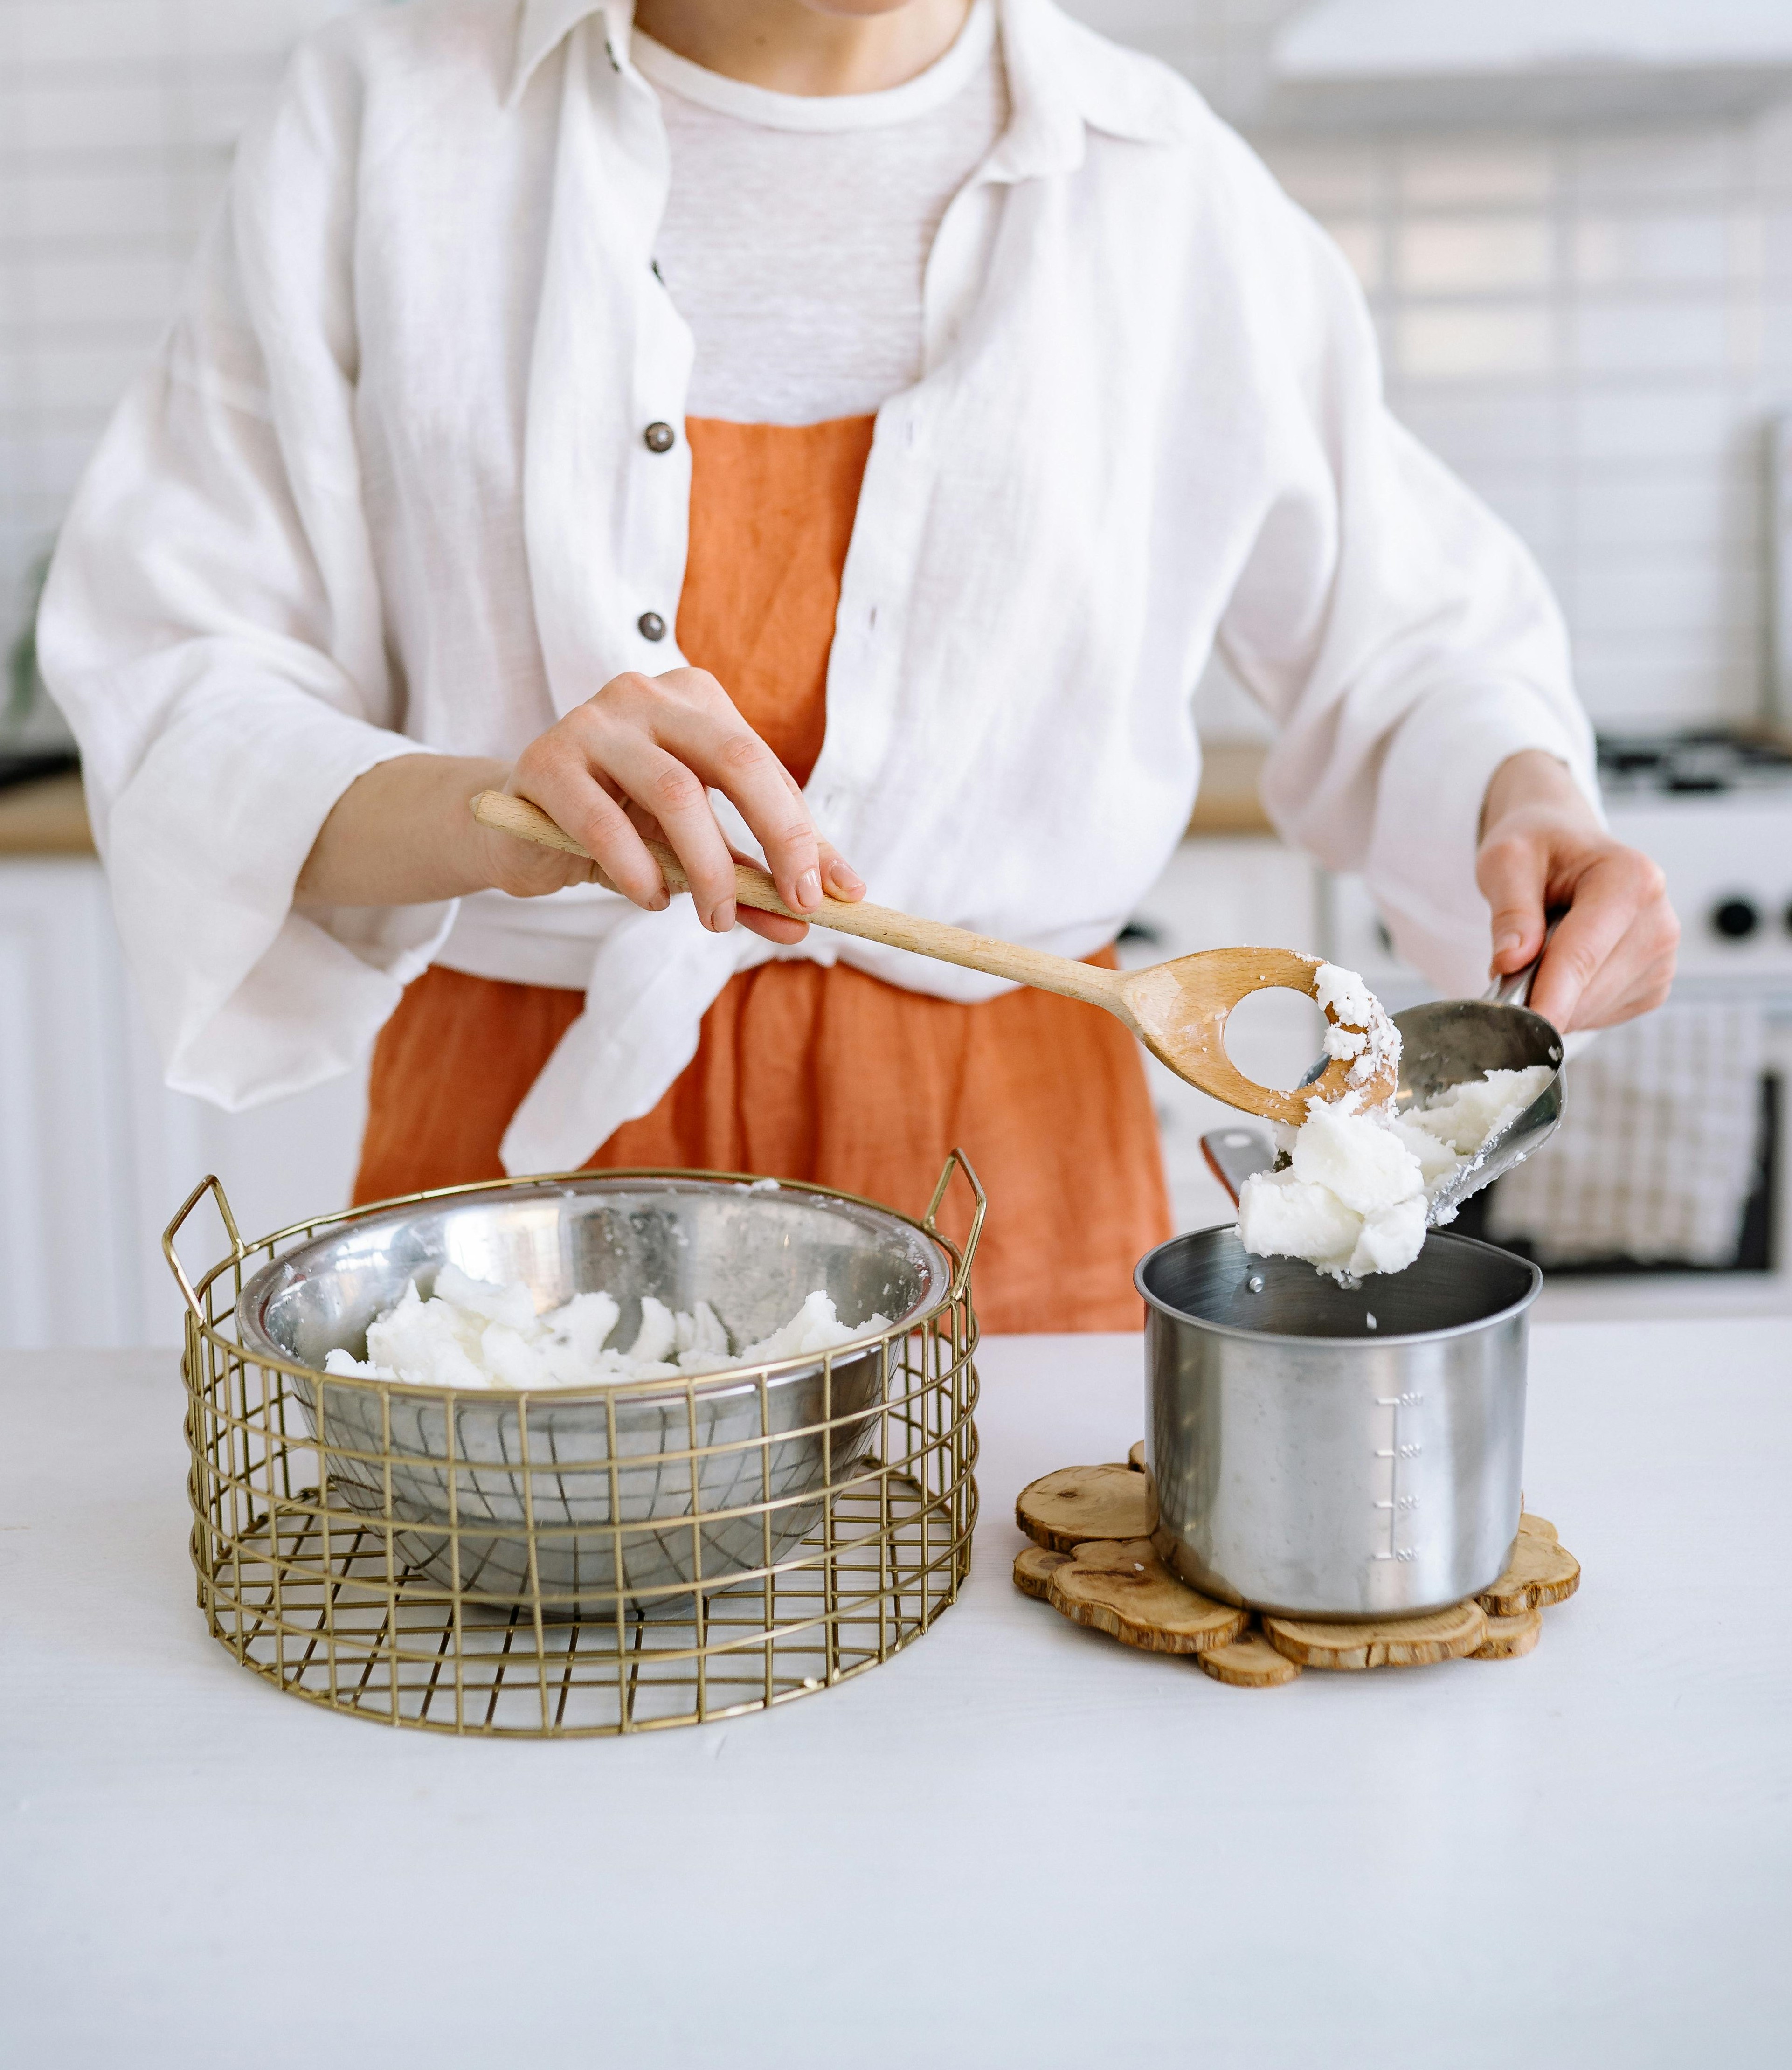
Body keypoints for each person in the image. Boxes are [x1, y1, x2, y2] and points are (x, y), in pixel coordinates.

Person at [40, 0, 1677, 1332]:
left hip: (1012, 1178)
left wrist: (1526, 798)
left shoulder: (1169, 189)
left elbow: (1411, 642)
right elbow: (181, 675)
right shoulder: (381, 125)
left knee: (1029, 1708)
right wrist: (487, 807)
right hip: (523, 1216)